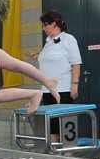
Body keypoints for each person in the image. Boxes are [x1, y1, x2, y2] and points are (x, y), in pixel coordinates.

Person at [27, 10, 82, 144]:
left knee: (65, 120)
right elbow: (51, 58)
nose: (43, 28)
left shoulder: (68, 39)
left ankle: (69, 150)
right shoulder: (48, 41)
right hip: (47, 89)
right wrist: (36, 56)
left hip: (62, 88)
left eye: (45, 25)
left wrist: (74, 85)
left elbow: (76, 63)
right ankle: (54, 149)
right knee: (52, 122)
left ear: (54, 24)